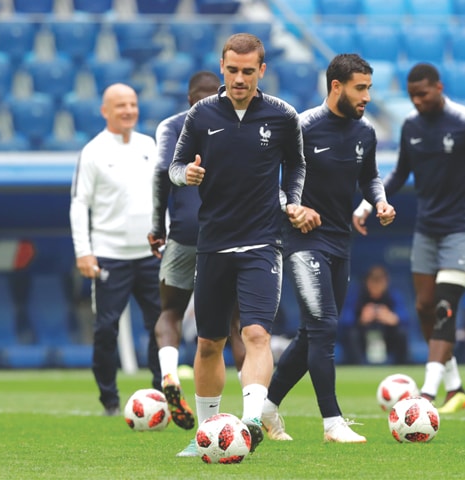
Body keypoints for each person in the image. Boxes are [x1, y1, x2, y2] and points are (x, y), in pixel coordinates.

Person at [353, 63, 465, 414]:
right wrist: (368, 204)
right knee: (424, 307)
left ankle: (427, 395)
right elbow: (400, 173)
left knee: (445, 309)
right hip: (427, 230)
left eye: (423, 94)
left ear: (439, 87)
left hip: (461, 230)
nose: (417, 101)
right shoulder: (412, 127)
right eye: (412, 95)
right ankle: (456, 387)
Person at [169, 33, 308, 453]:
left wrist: (294, 203)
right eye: (232, 70)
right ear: (223, 67)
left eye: (249, 71)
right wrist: (185, 177)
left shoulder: (283, 115)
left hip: (263, 242)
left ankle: (248, 422)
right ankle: (207, 433)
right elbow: (175, 165)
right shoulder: (201, 114)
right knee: (209, 342)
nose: (240, 78)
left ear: (262, 70)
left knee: (256, 335)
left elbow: (297, 165)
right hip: (212, 242)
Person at [260, 53, 396, 443]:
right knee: (324, 326)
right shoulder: (300, 127)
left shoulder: (365, 133)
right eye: (360, 88)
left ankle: (268, 408)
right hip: (302, 240)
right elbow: (271, 180)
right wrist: (293, 207)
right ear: (336, 86)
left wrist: (379, 202)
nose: (367, 96)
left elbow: (370, 177)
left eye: (369, 88)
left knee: (311, 333)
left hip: (340, 241)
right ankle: (332, 422)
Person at [148, 71, 246, 443]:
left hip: (185, 231)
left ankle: (170, 373)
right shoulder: (235, 122)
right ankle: (253, 408)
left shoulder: (171, 127)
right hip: (228, 233)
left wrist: (158, 226)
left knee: (170, 311)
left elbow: (161, 174)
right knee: (236, 323)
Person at [69, 83, 162, 416]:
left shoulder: (149, 145)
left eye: (133, 104)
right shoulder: (93, 151)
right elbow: (80, 204)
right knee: (106, 328)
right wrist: (84, 251)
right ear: (105, 111)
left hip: (150, 254)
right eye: (120, 105)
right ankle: (109, 399)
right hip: (110, 254)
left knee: (161, 325)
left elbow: (160, 195)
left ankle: (160, 394)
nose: (128, 111)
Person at [340, 265, 410, 365]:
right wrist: (361, 319)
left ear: (386, 282)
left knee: (401, 333)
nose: (377, 286)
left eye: (380, 282)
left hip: (387, 337)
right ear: (367, 282)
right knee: (352, 334)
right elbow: (345, 320)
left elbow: (405, 318)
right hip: (363, 338)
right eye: (373, 281)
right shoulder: (357, 296)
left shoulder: (393, 296)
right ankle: (356, 369)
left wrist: (392, 318)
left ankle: (401, 367)